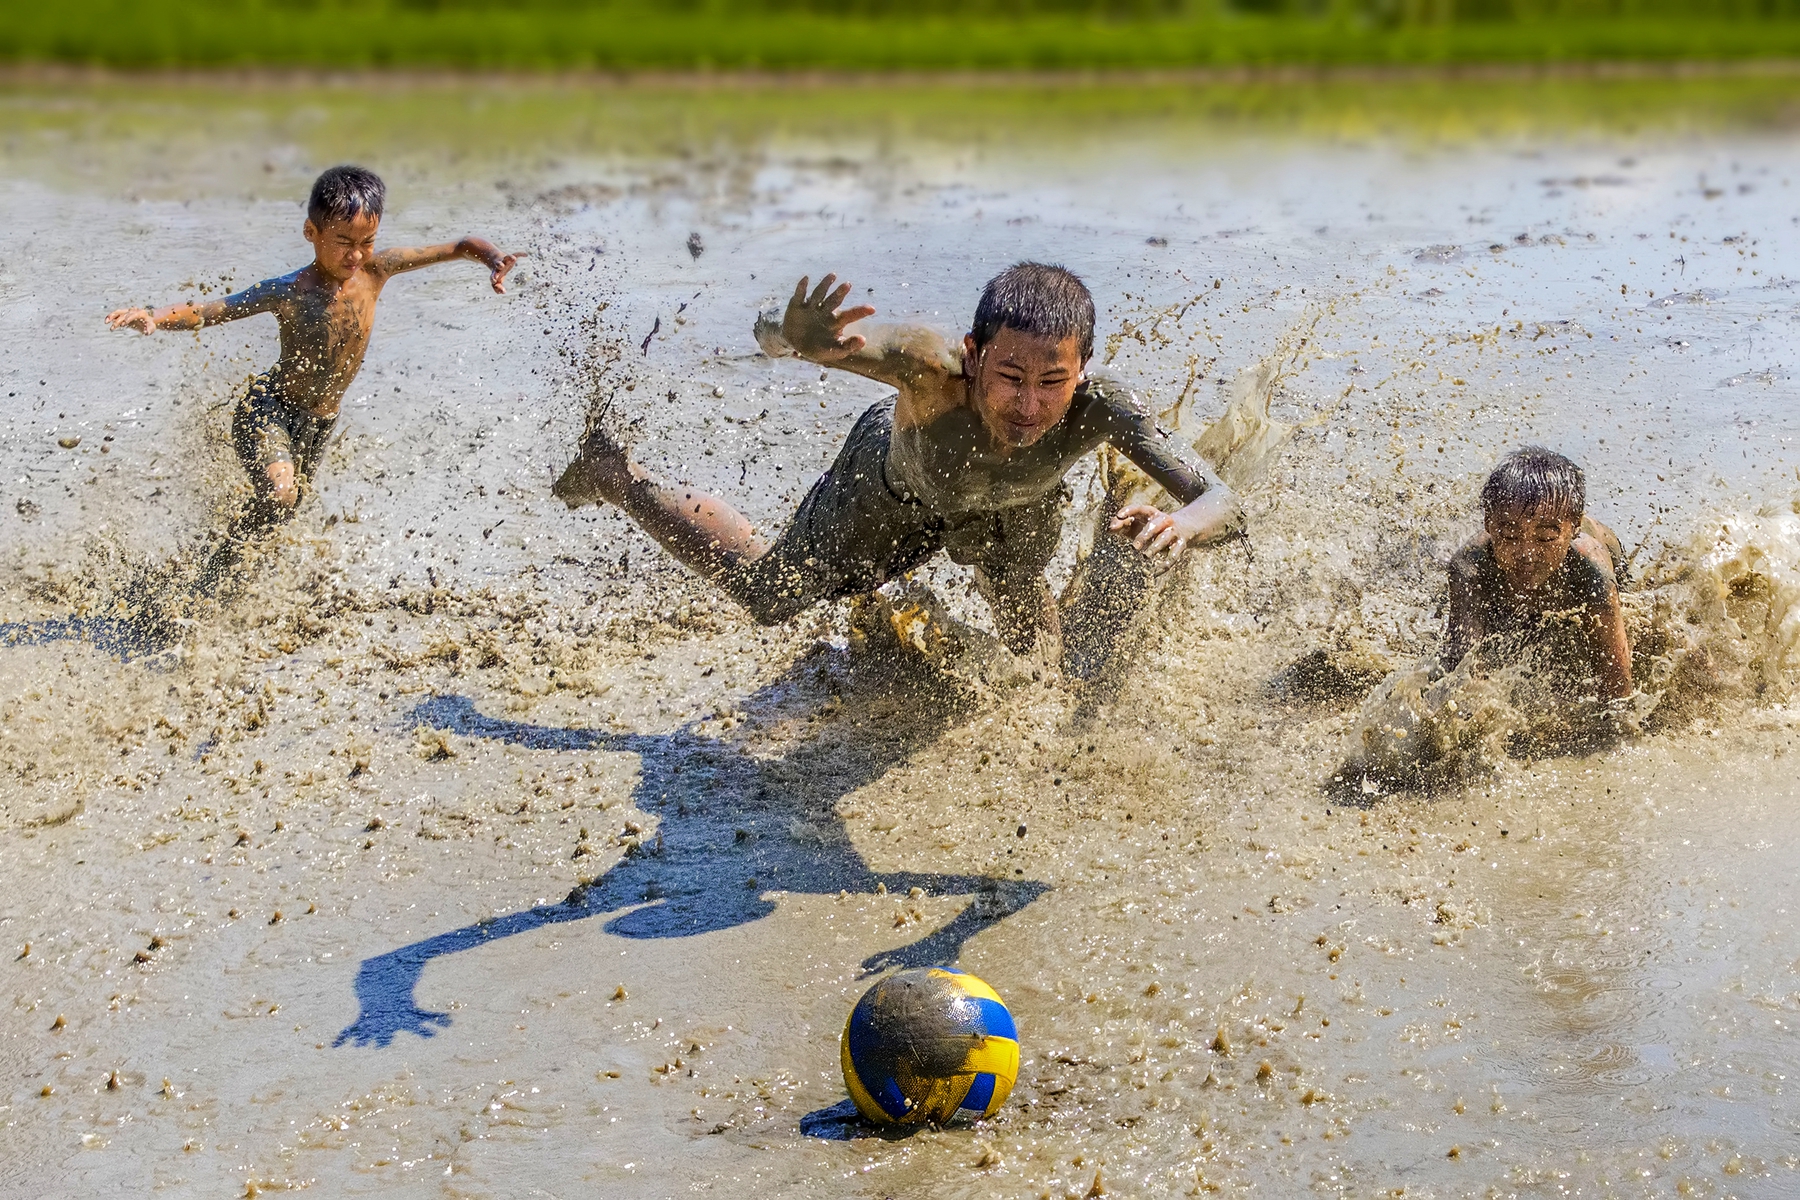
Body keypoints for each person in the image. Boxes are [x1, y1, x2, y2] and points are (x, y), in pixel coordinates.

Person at [552, 262, 1242, 664]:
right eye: (1009, 377)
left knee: (1036, 652)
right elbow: (826, 342)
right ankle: (613, 474)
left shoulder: (1103, 406)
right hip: (889, 490)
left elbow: (1223, 502)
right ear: (973, 355)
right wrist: (793, 334)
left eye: (1052, 382)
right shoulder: (928, 367)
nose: (1029, 405)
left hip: (1011, 508)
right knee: (769, 595)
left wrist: (1183, 525)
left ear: (1082, 369)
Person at [105, 165, 519, 578]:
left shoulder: (377, 271)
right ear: (311, 232)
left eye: (367, 242)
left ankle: (217, 579)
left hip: (320, 422)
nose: (356, 255)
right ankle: (207, 582)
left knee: (283, 511)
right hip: (270, 409)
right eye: (343, 243)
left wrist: (494, 259)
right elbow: (210, 310)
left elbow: (460, 246)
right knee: (281, 495)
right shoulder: (289, 291)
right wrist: (154, 316)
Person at [1442, 447, 1631, 700]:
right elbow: (1460, 668)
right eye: (1510, 535)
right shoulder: (1470, 567)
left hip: (1600, 569)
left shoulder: (1592, 573)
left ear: (1574, 527)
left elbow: (1618, 687)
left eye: (1546, 537)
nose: (1527, 554)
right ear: (1488, 523)